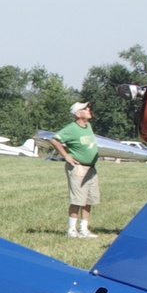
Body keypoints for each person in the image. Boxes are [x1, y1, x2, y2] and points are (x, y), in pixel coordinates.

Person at [49, 101, 100, 238]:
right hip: (78, 168)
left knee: (89, 200)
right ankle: (71, 230)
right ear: (78, 113)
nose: (89, 109)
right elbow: (55, 140)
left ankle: (84, 229)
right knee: (78, 199)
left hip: (91, 169)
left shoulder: (88, 126)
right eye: (85, 108)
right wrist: (66, 156)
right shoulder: (71, 128)